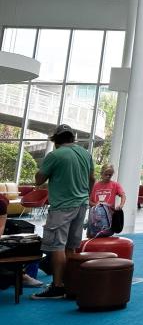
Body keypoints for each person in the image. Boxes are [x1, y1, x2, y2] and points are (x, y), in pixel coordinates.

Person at [31, 124, 95, 300]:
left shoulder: (55, 155)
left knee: (57, 246)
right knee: (71, 247)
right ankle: (70, 283)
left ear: (56, 140)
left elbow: (39, 179)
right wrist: (86, 196)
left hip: (62, 207)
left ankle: (57, 286)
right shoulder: (86, 154)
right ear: (72, 138)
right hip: (82, 204)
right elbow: (92, 179)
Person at [0, 192, 44, 289]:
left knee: (33, 244)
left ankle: (19, 275)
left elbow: (1, 229)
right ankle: (20, 276)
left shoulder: (1, 203)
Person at [87, 165, 125, 238]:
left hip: (108, 218)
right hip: (94, 217)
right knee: (91, 235)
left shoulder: (115, 185)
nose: (108, 176)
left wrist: (121, 205)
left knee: (105, 235)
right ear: (101, 174)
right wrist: (96, 205)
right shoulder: (95, 186)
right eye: (106, 174)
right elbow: (88, 200)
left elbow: (123, 195)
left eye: (110, 175)